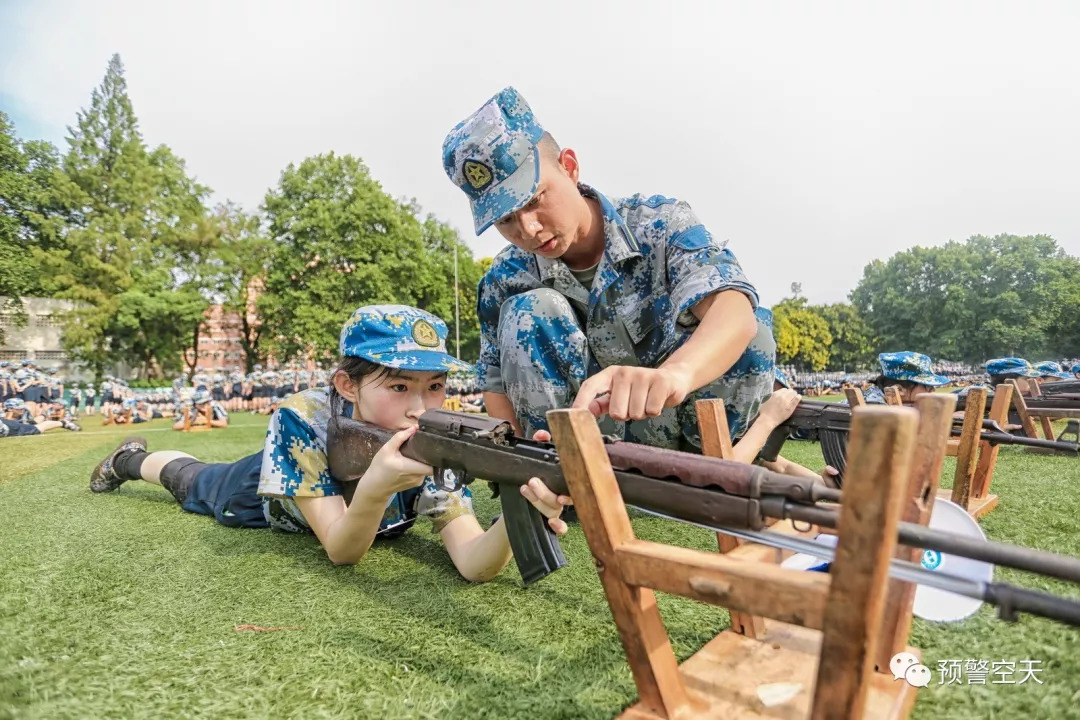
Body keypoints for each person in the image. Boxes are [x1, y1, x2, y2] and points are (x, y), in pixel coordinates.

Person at [88, 305, 571, 581]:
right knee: (191, 478)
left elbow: (471, 562)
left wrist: (518, 510)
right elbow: (341, 552)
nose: (421, 408)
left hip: (357, 513)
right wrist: (378, 485)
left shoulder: (441, 431)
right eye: (399, 387)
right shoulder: (303, 416)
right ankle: (130, 459)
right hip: (257, 498)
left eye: (435, 386)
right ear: (346, 386)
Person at [442, 87, 775, 453]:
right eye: (506, 219)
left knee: (754, 329)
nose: (528, 229)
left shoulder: (660, 224)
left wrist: (673, 375)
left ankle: (715, 465)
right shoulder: (506, 278)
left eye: (535, 200)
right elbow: (494, 385)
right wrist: (516, 462)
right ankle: (558, 470)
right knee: (528, 311)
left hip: (687, 426)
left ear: (569, 167)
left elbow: (733, 313)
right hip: (584, 445)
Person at [860, 352, 950, 404]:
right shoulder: (881, 412)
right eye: (927, 386)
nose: (933, 390)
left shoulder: (869, 399)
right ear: (899, 390)